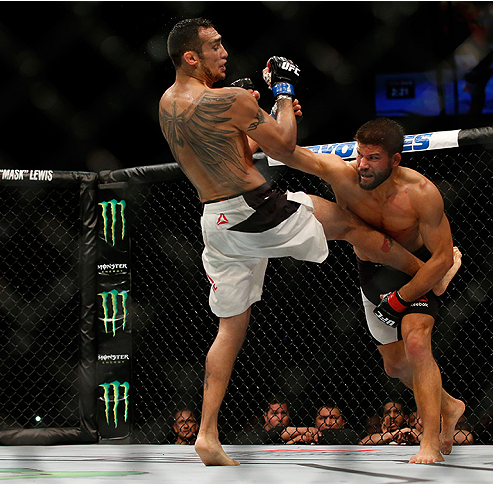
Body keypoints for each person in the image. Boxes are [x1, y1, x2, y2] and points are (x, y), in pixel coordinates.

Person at [159, 19, 448, 466]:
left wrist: (245, 118)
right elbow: (282, 148)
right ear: (192, 56)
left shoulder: (167, 104)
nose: (224, 53)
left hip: (214, 225)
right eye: (215, 46)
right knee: (352, 224)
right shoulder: (230, 99)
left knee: (229, 329)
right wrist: (284, 93)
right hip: (255, 210)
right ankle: (431, 274)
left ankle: (207, 434)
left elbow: (227, 152)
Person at [271, 118, 466, 463]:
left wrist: (403, 297)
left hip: (415, 271)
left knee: (417, 343)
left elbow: (438, 258)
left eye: (373, 158)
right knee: (395, 367)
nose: (362, 164)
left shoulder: (421, 193)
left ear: (395, 160)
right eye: (360, 155)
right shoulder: (342, 174)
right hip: (372, 272)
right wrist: (265, 116)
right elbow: (287, 152)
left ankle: (430, 442)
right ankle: (449, 406)